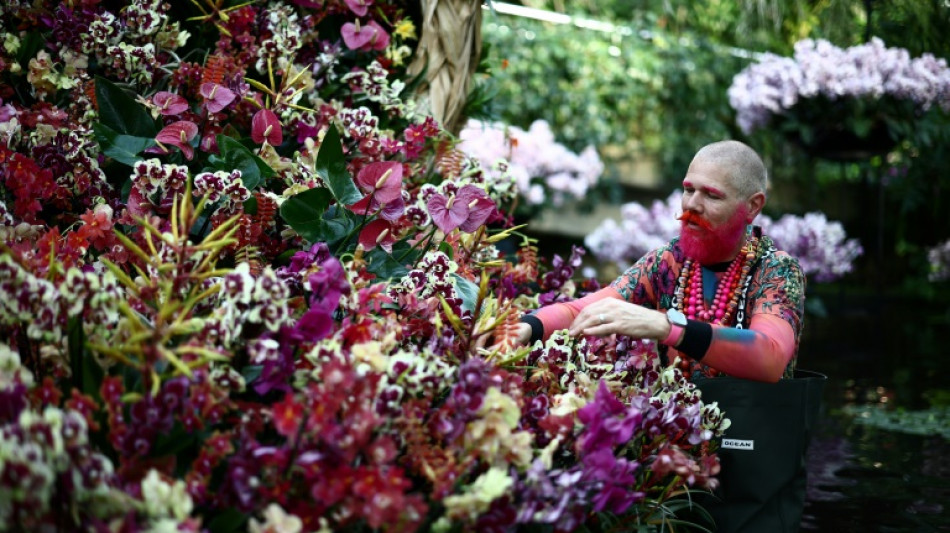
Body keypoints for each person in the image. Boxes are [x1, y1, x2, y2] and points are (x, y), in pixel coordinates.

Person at [508, 140, 805, 382]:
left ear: (752, 206)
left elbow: (770, 357)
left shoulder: (776, 270)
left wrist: (667, 327)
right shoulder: (668, 261)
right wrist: (524, 328)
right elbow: (586, 310)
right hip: (679, 428)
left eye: (712, 196)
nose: (692, 205)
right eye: (689, 190)